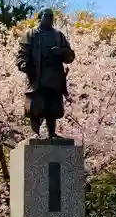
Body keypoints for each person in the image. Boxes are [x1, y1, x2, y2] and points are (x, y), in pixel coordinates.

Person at [16, 9, 75, 138]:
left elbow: (70, 56)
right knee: (35, 106)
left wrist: (60, 52)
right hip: (37, 75)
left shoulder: (58, 36)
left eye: (52, 16)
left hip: (54, 76)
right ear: (40, 17)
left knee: (53, 106)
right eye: (47, 16)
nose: (50, 18)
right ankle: (35, 133)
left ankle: (52, 133)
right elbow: (22, 54)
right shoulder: (31, 34)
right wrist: (24, 64)